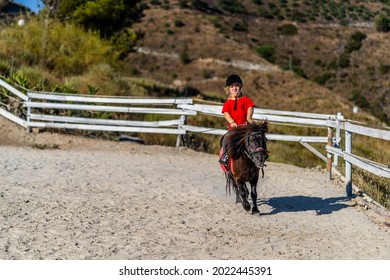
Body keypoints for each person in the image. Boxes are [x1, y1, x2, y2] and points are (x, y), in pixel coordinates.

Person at [219, 74, 255, 167]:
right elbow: (226, 113)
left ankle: (258, 154)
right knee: (226, 139)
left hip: (245, 128)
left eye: (237, 86)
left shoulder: (245, 99)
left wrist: (249, 118)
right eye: (232, 87)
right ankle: (225, 156)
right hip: (233, 129)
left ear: (240, 87)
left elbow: (250, 107)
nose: (234, 88)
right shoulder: (227, 103)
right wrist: (232, 122)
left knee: (255, 138)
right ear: (228, 89)